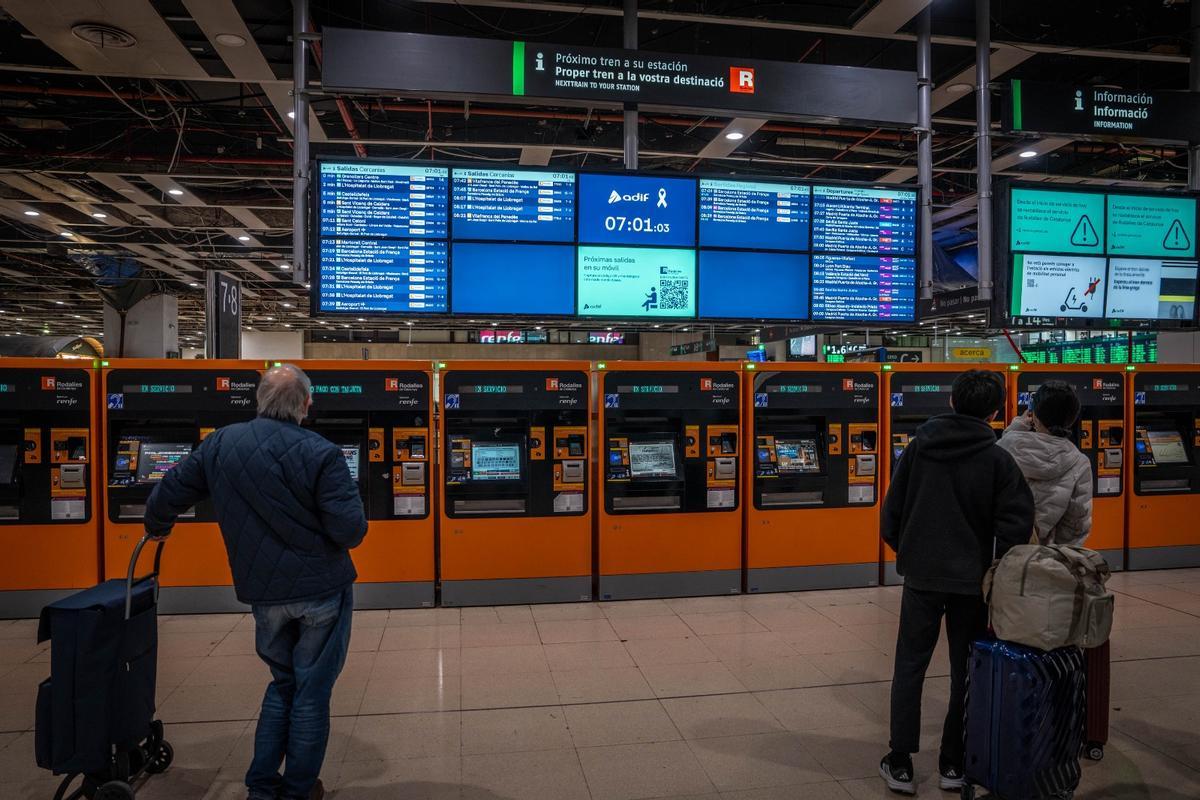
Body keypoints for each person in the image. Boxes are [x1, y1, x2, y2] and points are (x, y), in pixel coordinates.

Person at [144, 364, 367, 800]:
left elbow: (168, 491)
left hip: (264, 593)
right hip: (321, 590)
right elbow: (350, 531)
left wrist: (158, 525)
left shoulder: (222, 443)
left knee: (282, 683)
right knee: (311, 693)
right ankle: (299, 790)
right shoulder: (321, 452)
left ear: (259, 401)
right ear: (306, 404)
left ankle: (262, 788)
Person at [879, 369, 1034, 795]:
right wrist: (994, 567)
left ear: (951, 401)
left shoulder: (917, 449)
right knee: (966, 670)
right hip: (972, 582)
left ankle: (901, 762)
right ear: (997, 410)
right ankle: (953, 762)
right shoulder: (999, 459)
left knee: (910, 666)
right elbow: (1017, 524)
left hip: (922, 577)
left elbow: (891, 513)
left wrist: (909, 553)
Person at [997, 380, 1092, 545]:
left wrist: (1017, 426)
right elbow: (1076, 523)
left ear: (1034, 414)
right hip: (1043, 556)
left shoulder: (1004, 448)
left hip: (1004, 553)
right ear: (1072, 418)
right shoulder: (1079, 463)